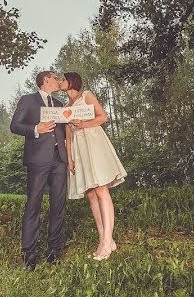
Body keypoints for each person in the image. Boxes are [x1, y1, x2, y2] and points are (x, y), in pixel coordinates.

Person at [61, 72, 127, 261]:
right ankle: (104, 240)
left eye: (63, 79)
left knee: (101, 190)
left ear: (71, 81)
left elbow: (103, 117)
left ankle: (107, 242)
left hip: (93, 142)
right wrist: (70, 158)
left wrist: (83, 124)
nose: (61, 82)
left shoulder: (86, 95)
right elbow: (68, 136)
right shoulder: (66, 107)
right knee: (91, 194)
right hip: (79, 149)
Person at [9, 70, 68, 269]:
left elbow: (65, 132)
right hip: (37, 161)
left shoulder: (60, 105)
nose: (58, 81)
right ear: (46, 80)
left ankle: (54, 252)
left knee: (58, 207)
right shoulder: (28, 100)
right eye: (55, 78)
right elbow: (15, 126)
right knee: (33, 205)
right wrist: (36, 129)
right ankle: (29, 255)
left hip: (59, 160)